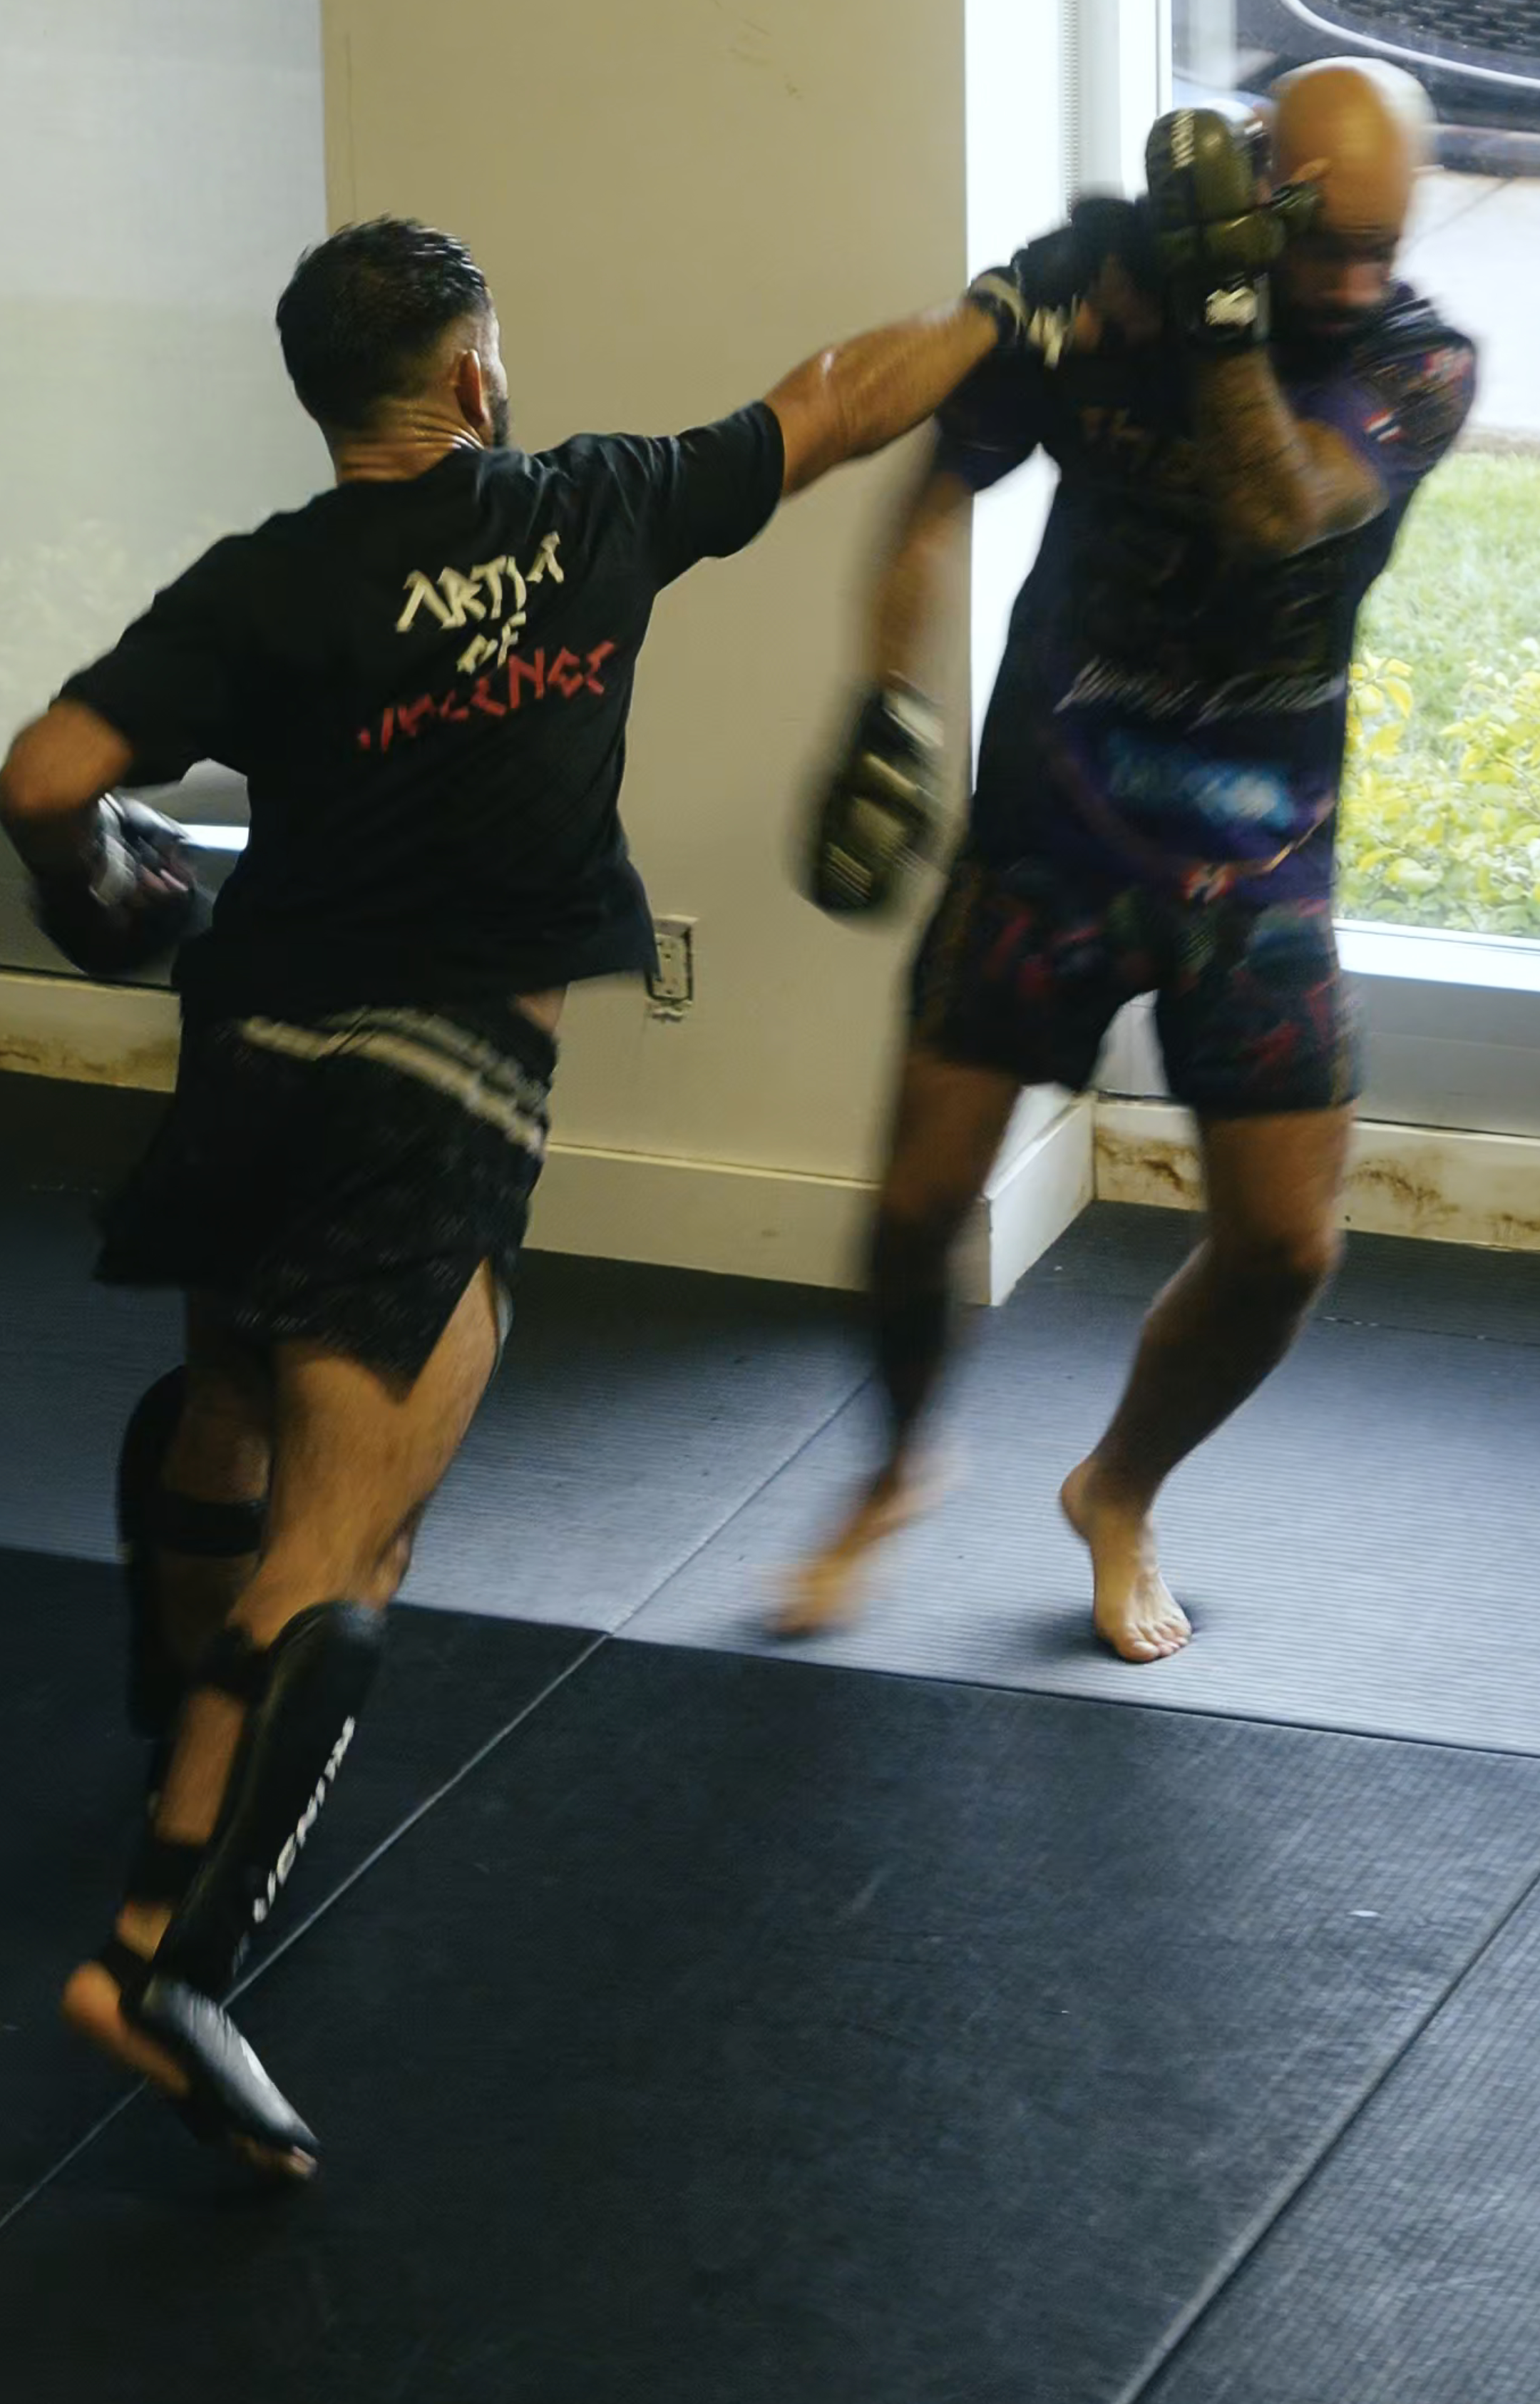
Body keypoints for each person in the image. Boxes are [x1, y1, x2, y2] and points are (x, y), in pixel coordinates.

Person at [0, 215, 1036, 2177]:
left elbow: (45, 765)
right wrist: (1009, 313)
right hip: (440, 1089)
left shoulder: (264, 585)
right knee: (350, 1540)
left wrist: (104, 885)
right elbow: (827, 405)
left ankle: (175, 1709)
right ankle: (161, 1952)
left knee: (231, 1391)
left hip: (253, 1050)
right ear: (473, 378)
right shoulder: (589, 513)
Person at [784, 59, 1477, 1662]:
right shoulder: (1104, 281)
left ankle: (1120, 1486)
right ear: (1263, 184)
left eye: (1385, 243)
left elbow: (1280, 510)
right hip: (1050, 821)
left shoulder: (1417, 360)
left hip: (1259, 860)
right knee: (913, 1207)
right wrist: (885, 696)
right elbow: (937, 476)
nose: (1359, 281)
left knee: (1287, 1249)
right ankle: (896, 1470)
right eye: (1330, 244)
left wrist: (1233, 313)